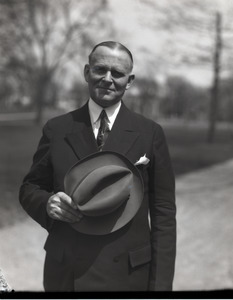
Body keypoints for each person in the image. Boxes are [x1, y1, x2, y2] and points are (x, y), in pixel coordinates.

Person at [19, 41, 176, 291]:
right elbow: (30, 187)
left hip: (128, 274)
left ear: (130, 80)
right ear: (86, 72)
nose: (107, 78)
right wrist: (47, 204)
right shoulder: (57, 129)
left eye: (118, 73)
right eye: (100, 69)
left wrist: (160, 287)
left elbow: (164, 214)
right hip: (67, 272)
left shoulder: (150, 133)